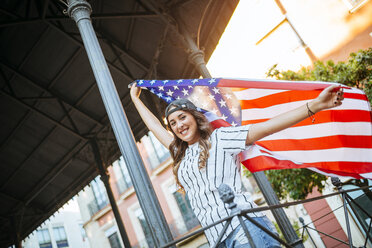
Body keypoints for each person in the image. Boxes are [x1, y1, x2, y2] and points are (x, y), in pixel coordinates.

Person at [130, 83, 344, 248]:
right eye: (173, 123)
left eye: (182, 117)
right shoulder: (181, 154)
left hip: (245, 227)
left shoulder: (221, 138)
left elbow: (267, 127)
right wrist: (135, 99)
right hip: (218, 238)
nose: (178, 126)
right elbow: (155, 127)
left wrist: (315, 105)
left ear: (195, 117)